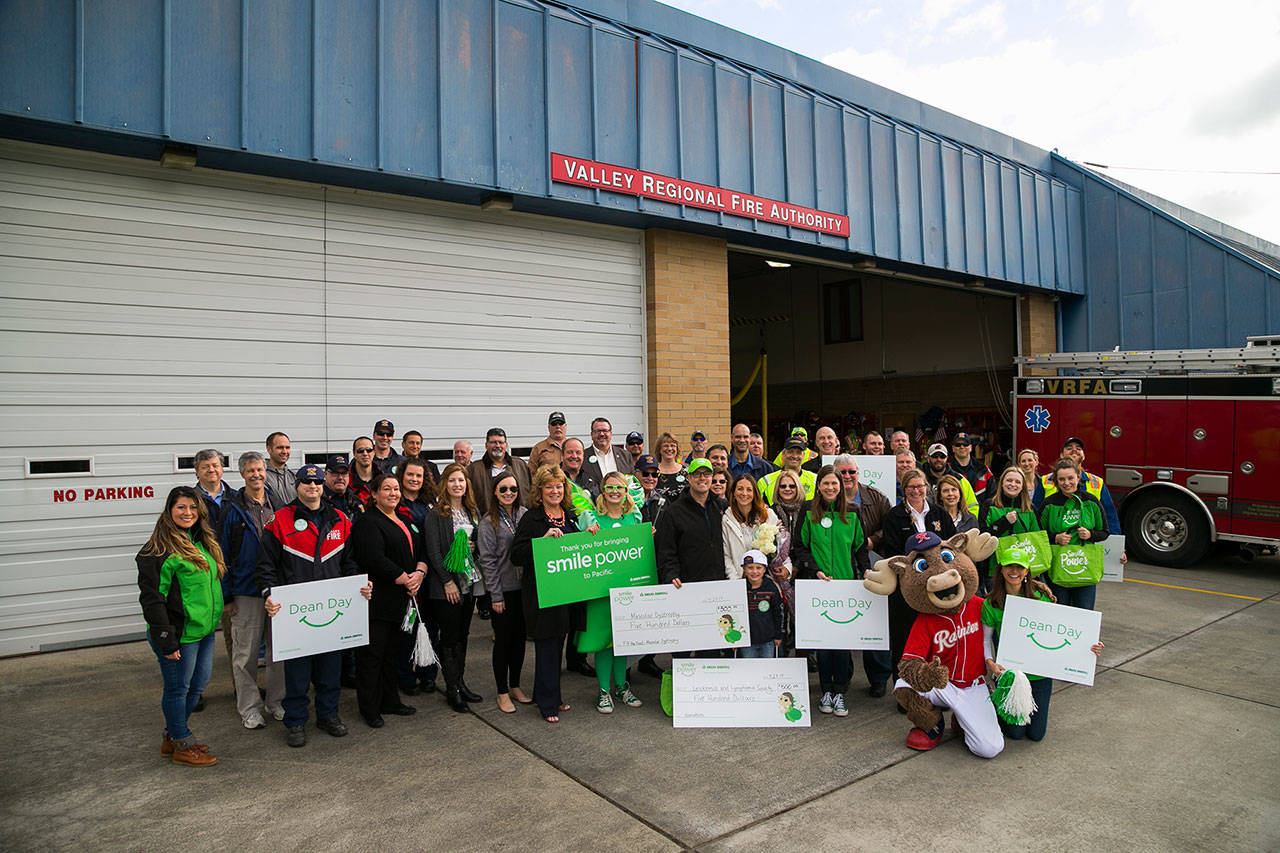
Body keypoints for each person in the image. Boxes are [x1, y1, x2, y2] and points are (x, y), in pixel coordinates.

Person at [258, 465, 369, 748]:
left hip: (332, 611)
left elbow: (351, 562)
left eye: (317, 482)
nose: (312, 486)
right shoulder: (279, 521)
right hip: (296, 614)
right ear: (297, 486)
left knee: (330, 669)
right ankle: (296, 721)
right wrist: (269, 595)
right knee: (297, 671)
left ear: (323, 486)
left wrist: (359, 588)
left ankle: (328, 715)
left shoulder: (340, 519)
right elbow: (266, 566)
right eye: (306, 482)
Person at [137, 486, 226, 766]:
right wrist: (166, 639)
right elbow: (153, 600)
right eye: (181, 508)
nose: (188, 513)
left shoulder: (199, 540)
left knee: (198, 685)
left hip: (204, 630)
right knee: (178, 689)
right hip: (180, 635)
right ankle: (181, 743)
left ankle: (173, 734)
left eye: (192, 508)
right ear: (169, 511)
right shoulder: (158, 551)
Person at [983, 557, 1104, 742]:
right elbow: (985, 640)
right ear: (1000, 570)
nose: (1014, 571)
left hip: (1040, 674)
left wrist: (1089, 646)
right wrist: (990, 662)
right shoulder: (991, 603)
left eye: (1019, 567)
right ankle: (995, 702)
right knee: (1016, 734)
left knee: (1036, 734)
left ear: (1027, 572)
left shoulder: (1041, 598)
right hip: (1012, 674)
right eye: (1009, 566)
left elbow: (1058, 632)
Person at [791, 466, 870, 717]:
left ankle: (840, 691)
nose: (830, 488)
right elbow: (799, 547)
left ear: (841, 486)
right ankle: (826, 689)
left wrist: (865, 571)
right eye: (825, 483)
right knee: (823, 643)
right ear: (818, 486)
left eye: (834, 484)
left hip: (845, 586)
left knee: (842, 642)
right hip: (818, 585)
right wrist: (815, 570)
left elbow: (860, 549)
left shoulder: (854, 512)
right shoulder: (808, 510)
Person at [350, 473, 424, 728]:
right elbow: (373, 558)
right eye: (386, 489)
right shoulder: (367, 522)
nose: (393, 493)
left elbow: (419, 549)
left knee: (392, 653)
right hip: (378, 600)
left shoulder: (404, 519)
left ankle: (390, 700)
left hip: (402, 599)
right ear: (374, 494)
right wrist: (404, 577)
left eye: (396, 489)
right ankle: (369, 707)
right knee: (373, 656)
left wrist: (420, 573)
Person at [220, 452, 284, 730]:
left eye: (260, 469)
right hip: (246, 591)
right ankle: (249, 708)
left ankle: (276, 701)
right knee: (245, 654)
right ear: (242, 474)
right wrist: (227, 597)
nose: (257, 474)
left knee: (279, 651)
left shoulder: (279, 505)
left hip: (278, 589)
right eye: (251, 470)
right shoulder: (231, 509)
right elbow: (220, 556)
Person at [878, 469, 956, 695]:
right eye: (911, 487)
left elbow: (950, 545)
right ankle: (905, 691)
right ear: (904, 489)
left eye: (920, 486)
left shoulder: (939, 513)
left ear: (926, 487)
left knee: (936, 639)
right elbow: (891, 551)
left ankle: (936, 690)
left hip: (937, 590)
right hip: (907, 589)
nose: (916, 490)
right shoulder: (895, 516)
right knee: (904, 640)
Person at [510, 465, 577, 722]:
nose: (554, 490)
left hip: (564, 593)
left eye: (558, 486)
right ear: (540, 490)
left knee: (557, 644)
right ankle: (548, 705)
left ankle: (549, 695)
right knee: (547, 646)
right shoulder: (532, 519)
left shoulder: (569, 516)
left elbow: (576, 549)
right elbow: (516, 555)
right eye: (549, 486)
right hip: (541, 594)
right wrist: (542, 542)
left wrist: (589, 535)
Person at [578, 471, 645, 714]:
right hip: (600, 592)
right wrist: (586, 535)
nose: (615, 492)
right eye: (610, 487)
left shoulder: (634, 517)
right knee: (604, 642)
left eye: (619, 487)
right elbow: (578, 550)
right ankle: (603, 691)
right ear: (602, 490)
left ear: (626, 491)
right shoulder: (591, 518)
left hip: (626, 590)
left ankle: (621, 686)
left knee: (623, 640)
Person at [422, 463, 484, 712]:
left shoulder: (472, 510)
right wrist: (447, 581)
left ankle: (461, 681)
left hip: (468, 583)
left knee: (463, 636)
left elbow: (480, 541)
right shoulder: (437, 513)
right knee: (448, 638)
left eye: (461, 480)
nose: (457, 485)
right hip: (446, 586)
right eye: (452, 480)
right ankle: (451, 689)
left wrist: (474, 547)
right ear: (444, 484)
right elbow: (434, 551)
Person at [833, 454, 893, 694]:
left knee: (874, 621)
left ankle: (879, 677)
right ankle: (843, 675)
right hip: (839, 566)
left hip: (871, 563)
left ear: (859, 473)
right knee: (843, 621)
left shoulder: (876, 497)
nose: (847, 477)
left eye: (851, 472)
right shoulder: (825, 498)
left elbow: (889, 528)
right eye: (842, 472)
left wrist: (872, 540)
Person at [656, 458, 725, 658]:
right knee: (683, 646)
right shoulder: (674, 512)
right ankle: (682, 686)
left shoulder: (722, 506)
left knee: (710, 645)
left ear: (712, 478)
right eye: (697, 474)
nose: (702, 478)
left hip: (715, 586)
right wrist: (671, 575)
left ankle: (706, 687)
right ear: (688, 477)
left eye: (706, 474)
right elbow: (666, 550)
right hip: (685, 586)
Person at [476, 472, 531, 714]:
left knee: (520, 641)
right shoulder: (488, 522)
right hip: (503, 591)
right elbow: (487, 561)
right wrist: (495, 596)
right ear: (495, 493)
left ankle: (515, 685)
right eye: (503, 489)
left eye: (513, 489)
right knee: (503, 642)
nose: (509, 493)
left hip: (524, 589)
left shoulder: (524, 515)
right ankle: (501, 691)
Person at [1039, 458, 1110, 610]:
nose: (1067, 483)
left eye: (1070, 478)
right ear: (1056, 481)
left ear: (1078, 476)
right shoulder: (1049, 504)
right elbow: (1038, 535)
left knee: (1084, 613)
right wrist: (1055, 538)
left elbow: (1105, 532)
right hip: (1058, 568)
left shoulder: (1091, 502)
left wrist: (1090, 535)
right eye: (1061, 479)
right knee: (1059, 612)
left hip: (1085, 568)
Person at [394, 458, 438, 696]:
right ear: (402, 476)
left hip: (428, 577)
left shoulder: (429, 505)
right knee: (406, 630)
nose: (414, 479)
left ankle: (428, 673)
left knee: (430, 628)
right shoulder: (394, 503)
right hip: (403, 578)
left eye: (419, 476)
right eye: (410, 475)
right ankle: (405, 675)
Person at [1033, 437, 1122, 536]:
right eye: (1069, 448)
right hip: (1056, 545)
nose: (1074, 450)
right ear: (1061, 455)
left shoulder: (1097, 482)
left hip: (1088, 544)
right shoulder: (1045, 481)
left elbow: (1110, 516)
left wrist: (1116, 543)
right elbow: (1036, 516)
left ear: (1084, 456)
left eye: (1078, 448)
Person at [722, 474, 784, 579]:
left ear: (755, 493)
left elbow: (781, 547)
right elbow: (727, 555)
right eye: (740, 489)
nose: (744, 493)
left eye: (749, 490)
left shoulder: (768, 515)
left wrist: (786, 568)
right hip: (738, 578)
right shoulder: (727, 519)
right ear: (733, 492)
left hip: (766, 579)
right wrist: (735, 580)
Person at [468, 427, 532, 515]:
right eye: (493, 442)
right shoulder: (474, 469)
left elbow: (531, 492)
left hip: (518, 520)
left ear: (506, 446)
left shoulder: (520, 465)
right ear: (486, 446)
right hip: (487, 520)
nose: (498, 445)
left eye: (501, 442)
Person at [739, 550, 784, 658]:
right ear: (744, 569)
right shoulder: (739, 589)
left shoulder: (772, 588)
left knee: (767, 668)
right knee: (749, 668)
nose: (754, 572)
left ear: (764, 569)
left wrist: (778, 635)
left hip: (768, 639)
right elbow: (735, 615)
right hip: (747, 640)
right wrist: (735, 640)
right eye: (750, 568)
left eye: (758, 568)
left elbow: (779, 613)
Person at [923, 443, 980, 515]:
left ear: (947, 458)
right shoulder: (920, 480)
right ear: (928, 458)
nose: (938, 459)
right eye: (935, 456)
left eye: (942, 456)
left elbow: (972, 506)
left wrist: (967, 523)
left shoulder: (959, 479)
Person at [758, 437, 817, 503]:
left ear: (803, 456)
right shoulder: (765, 482)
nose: (794, 456)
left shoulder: (815, 480)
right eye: (790, 452)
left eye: (798, 453)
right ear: (783, 455)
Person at [580, 417, 634, 482]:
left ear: (610, 434)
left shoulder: (625, 456)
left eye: (605, 430)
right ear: (592, 435)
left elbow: (631, 483)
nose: (602, 434)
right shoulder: (583, 457)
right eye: (598, 431)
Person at [949, 432, 994, 501]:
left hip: (981, 511)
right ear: (953, 448)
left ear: (970, 448)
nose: (962, 447)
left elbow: (992, 496)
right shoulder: (947, 470)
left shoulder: (984, 470)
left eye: (965, 444)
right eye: (958, 445)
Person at [193, 449, 232, 527]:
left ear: (222, 469)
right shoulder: (191, 498)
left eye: (215, 466)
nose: (211, 470)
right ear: (197, 472)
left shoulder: (236, 497)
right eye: (205, 467)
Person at [322, 454, 363, 518]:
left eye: (344, 473)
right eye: (335, 473)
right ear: (325, 474)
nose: (340, 477)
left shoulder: (356, 500)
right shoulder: (317, 500)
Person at [653, 432, 687, 503]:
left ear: (677, 449)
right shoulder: (653, 473)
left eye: (673, 445)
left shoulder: (686, 471)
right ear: (659, 449)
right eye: (665, 446)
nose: (669, 448)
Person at [263, 432, 293, 508]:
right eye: (280, 447)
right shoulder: (262, 477)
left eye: (287, 447)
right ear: (269, 449)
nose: (284, 452)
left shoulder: (294, 476)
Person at [349, 437, 379, 505]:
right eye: (360, 450)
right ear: (354, 453)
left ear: (374, 452)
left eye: (369, 450)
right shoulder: (346, 480)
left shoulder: (382, 479)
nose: (365, 453)